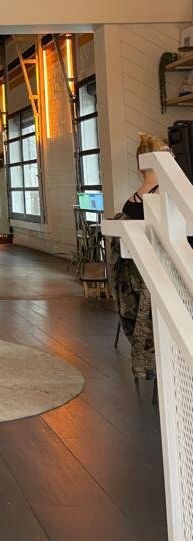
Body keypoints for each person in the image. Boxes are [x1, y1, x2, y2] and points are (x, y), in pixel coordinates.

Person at [107, 132, 169, 380]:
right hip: (159, 278)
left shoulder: (130, 201)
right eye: (168, 153)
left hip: (135, 280)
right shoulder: (162, 194)